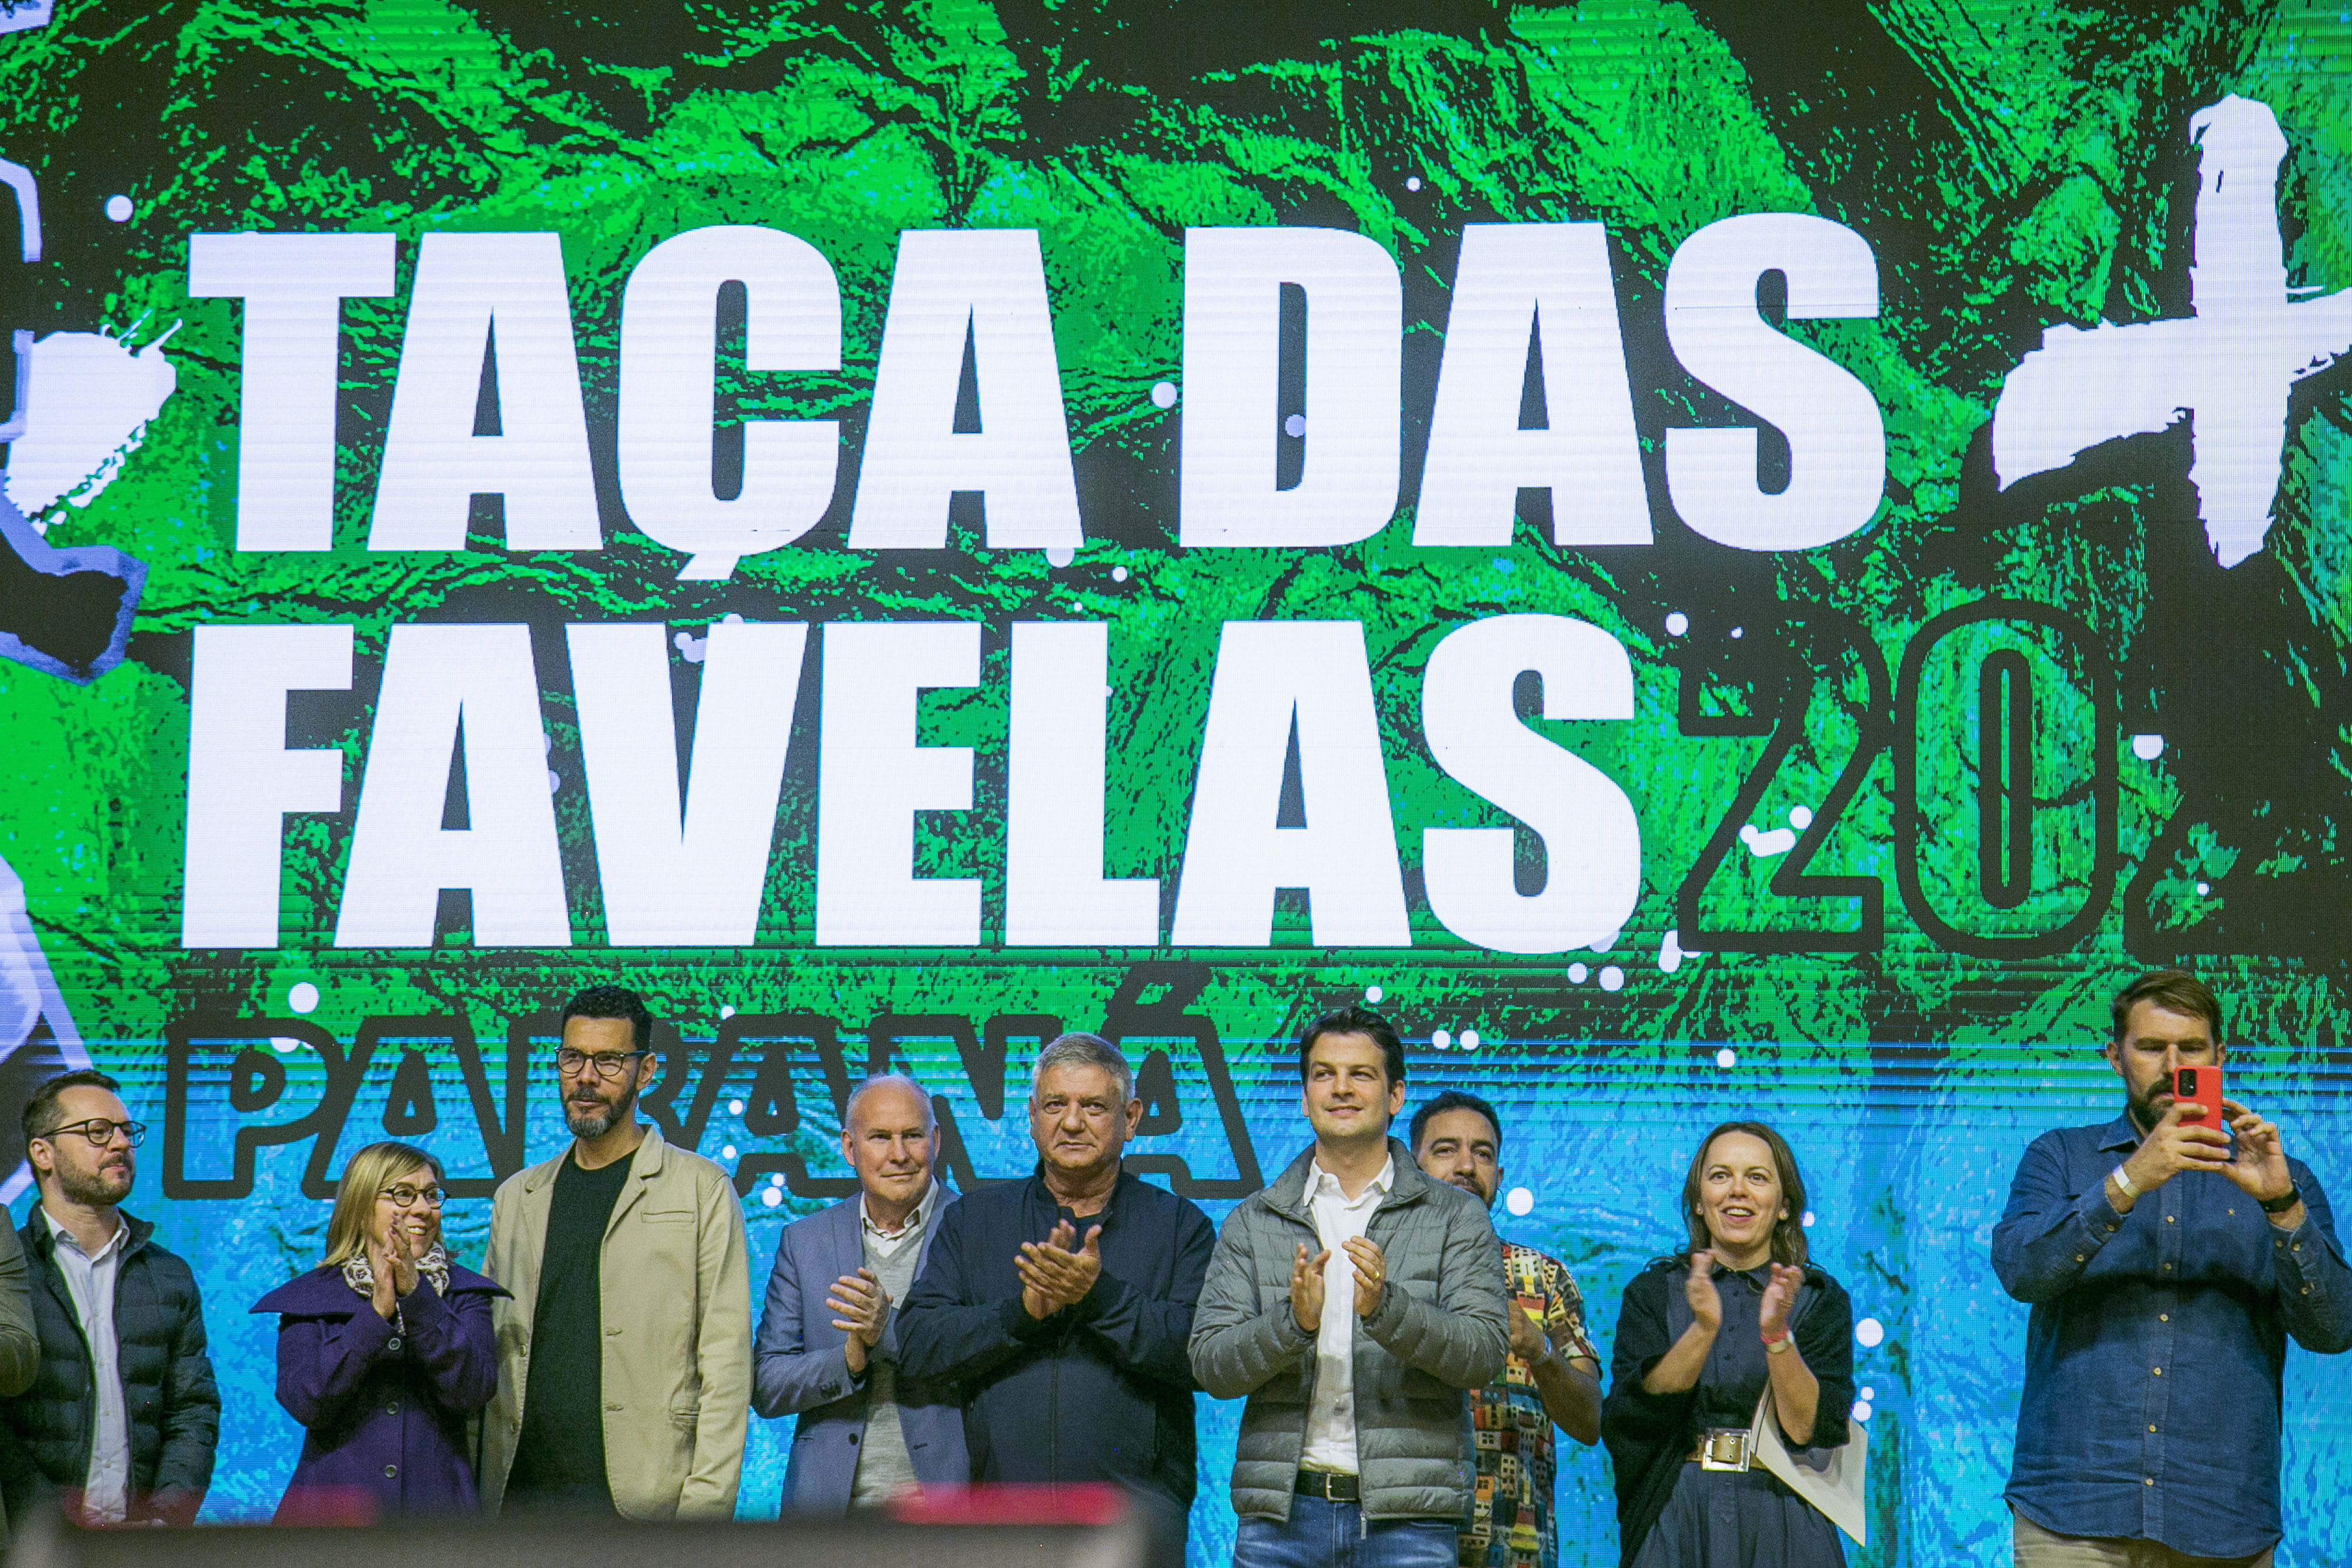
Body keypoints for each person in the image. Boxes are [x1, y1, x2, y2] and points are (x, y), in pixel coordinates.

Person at [1993, 970, 2350, 1567]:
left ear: (2220, 1057)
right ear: (2115, 1057)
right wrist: (2130, 1178)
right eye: (2152, 1047)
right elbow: (2021, 1272)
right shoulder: (2060, 1156)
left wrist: (2282, 1206)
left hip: (2222, 1513)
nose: (2172, 1066)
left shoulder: (2281, 1175)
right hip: (2074, 1505)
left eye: (2191, 1048)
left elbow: (2333, 1329)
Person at [1190, 1005, 1509, 1568]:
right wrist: (1293, 1323)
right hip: (1280, 1520)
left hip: (1409, 1520)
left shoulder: (1456, 1216)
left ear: (1395, 1095)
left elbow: (1483, 1354)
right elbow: (1210, 1365)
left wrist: (1387, 1308)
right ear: (1304, 1096)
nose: (1341, 1088)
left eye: (1360, 1073)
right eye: (1324, 1074)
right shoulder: (1254, 1219)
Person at [896, 1032, 1212, 1562]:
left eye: (1094, 1106)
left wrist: (1099, 1297)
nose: (1072, 1122)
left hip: (1134, 1527)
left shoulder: (1180, 1226)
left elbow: (1204, 1357)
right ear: (1031, 1115)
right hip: (998, 1525)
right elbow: (918, 1343)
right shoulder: (975, 1220)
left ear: (1131, 1117)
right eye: (1055, 1105)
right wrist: (1020, 1314)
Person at [480, 984, 751, 1519]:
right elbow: (489, 1347)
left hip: (643, 1502)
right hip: (520, 1498)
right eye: (573, 1058)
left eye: (608, 1060)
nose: (586, 1077)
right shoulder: (517, 1197)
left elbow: (727, 1364)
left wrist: (703, 1515)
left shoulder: (702, 1189)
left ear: (645, 1070)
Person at [1601, 1121, 1853, 1568]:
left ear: (1784, 1205)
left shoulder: (1819, 1298)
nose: (1738, 1190)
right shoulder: (1653, 1291)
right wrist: (1703, 1328)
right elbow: (1633, 1417)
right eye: (1721, 1175)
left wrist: (1777, 1334)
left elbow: (1806, 1430)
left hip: (1786, 1518)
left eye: (1757, 1177)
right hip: (1677, 1516)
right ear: (1699, 1201)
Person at [0, 1069, 218, 1527]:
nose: (120, 1143)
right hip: (31, 1542)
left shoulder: (168, 1274)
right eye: (97, 1131)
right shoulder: (10, 1268)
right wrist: (42, 1526)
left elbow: (192, 1411)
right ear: (42, 1152)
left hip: (143, 1543)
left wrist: (165, 1521)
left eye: (125, 1130)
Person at [252, 1141, 505, 1521]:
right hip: (330, 1522)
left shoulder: (465, 1293)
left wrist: (416, 1294)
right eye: (403, 1194)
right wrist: (376, 1314)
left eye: (431, 1195)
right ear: (361, 1203)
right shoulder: (311, 1296)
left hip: (436, 1522)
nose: (423, 1209)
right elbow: (305, 1402)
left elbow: (472, 1390)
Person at [754, 1072, 968, 1510]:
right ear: (850, 1148)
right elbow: (768, 1383)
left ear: (936, 1140)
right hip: (828, 1512)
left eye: (913, 1136)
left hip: (945, 1509)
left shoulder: (975, 1228)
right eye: (880, 1137)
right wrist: (850, 1358)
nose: (899, 1154)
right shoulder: (804, 1241)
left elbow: (990, 1356)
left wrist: (886, 1330)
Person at [1409, 1089, 1599, 1568]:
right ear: (1411, 1169)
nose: (1466, 1166)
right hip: (1397, 1543)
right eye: (1446, 1149)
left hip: (1516, 1547)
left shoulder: (1543, 1277)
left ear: (1499, 1175)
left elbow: (1588, 1421)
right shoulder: (1379, 1272)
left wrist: (1539, 1349)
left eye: (1483, 1153)